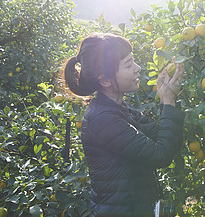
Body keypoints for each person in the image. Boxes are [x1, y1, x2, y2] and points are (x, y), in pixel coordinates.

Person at [63, 32, 185, 216]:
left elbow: (166, 138)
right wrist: (168, 103)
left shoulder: (119, 108)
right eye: (129, 64)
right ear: (105, 80)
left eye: (133, 60)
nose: (138, 68)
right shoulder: (102, 119)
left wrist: (167, 101)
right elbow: (161, 155)